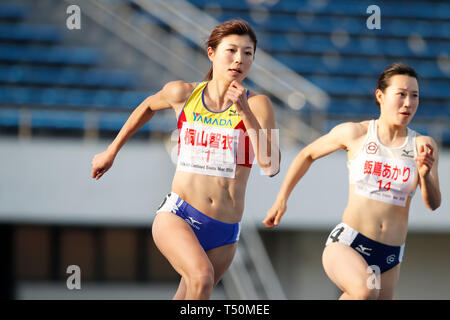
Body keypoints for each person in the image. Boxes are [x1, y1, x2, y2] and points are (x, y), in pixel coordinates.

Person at [91, 19, 280, 299]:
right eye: (231, 50)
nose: (239, 59)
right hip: (179, 214)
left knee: (190, 294)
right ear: (211, 53)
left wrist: (245, 114)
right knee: (202, 278)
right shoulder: (184, 93)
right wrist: (111, 151)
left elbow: (271, 166)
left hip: (225, 231)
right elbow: (147, 106)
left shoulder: (258, 105)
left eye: (248, 53)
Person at [263, 62, 441, 300]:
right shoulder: (355, 133)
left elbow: (433, 203)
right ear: (380, 96)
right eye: (401, 95)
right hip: (349, 242)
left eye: (414, 96)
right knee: (366, 290)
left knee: (366, 294)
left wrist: (425, 173)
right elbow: (307, 154)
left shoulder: (423, 145)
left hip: (390, 255)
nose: (408, 103)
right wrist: (281, 199)